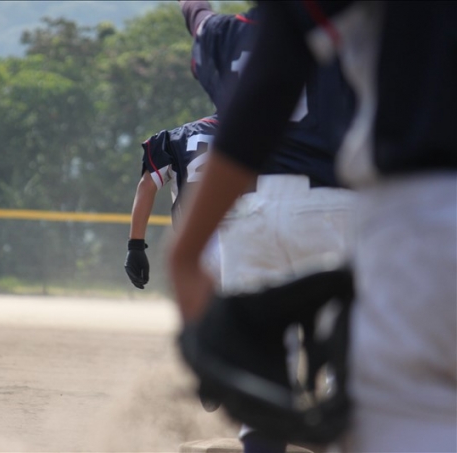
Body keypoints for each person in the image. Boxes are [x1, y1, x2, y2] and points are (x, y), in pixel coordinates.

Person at [169, 2, 457, 453]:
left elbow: (265, 77)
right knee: (349, 380)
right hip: (342, 205)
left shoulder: (237, 31)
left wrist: (185, 252)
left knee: (270, 393)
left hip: (263, 211)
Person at [178, 2, 356, 452]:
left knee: (263, 382)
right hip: (332, 206)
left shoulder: (227, 33)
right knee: (349, 371)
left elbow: (197, 17)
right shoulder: (355, 25)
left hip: (248, 215)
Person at [125, 115, 221, 291]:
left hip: (195, 244)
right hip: (245, 238)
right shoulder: (256, 135)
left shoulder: (177, 137)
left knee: (204, 306)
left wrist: (135, 245)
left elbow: (147, 185)